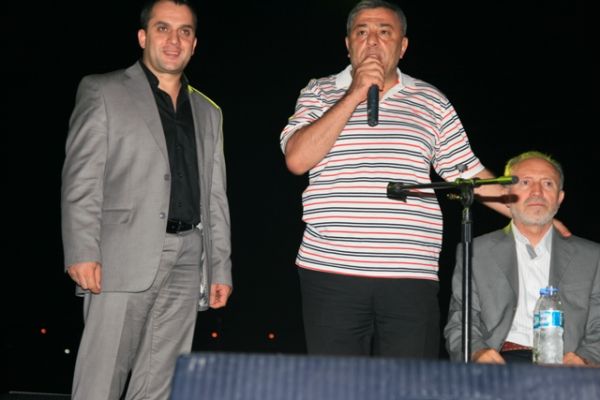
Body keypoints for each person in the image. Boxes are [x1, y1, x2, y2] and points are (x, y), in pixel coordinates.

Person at [279, 0, 570, 358]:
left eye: (384, 32)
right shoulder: (318, 91)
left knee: (410, 382)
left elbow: (469, 173)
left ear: (402, 46)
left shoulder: (431, 101)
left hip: (410, 275)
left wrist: (532, 218)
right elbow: (297, 158)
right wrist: (354, 93)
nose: (373, 41)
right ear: (348, 44)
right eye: (362, 32)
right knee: (334, 383)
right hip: (331, 271)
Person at [61, 1, 233, 399]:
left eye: (184, 31)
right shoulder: (103, 91)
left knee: (162, 384)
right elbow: (81, 177)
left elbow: (215, 195)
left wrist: (219, 267)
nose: (174, 40)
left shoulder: (209, 111)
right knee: (100, 380)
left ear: (194, 44)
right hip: (120, 257)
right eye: (162, 28)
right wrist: (82, 249)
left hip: (188, 257)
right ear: (143, 37)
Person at [444, 151, 599, 365]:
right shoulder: (476, 252)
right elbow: (460, 322)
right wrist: (478, 353)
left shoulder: (591, 257)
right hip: (501, 362)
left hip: (567, 364)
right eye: (525, 182)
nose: (537, 192)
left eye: (547, 184)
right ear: (506, 195)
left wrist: (584, 359)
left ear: (559, 198)